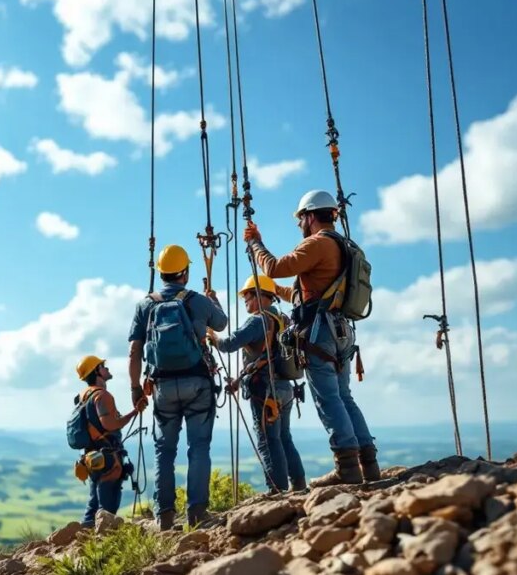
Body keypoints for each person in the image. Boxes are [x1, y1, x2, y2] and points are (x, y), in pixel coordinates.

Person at [244, 189, 379, 486]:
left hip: (321, 331)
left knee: (328, 398)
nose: (298, 225)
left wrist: (255, 243)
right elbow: (304, 292)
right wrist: (273, 292)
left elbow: (275, 267)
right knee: (344, 397)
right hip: (340, 328)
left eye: (300, 218)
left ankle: (347, 467)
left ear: (309, 216)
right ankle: (368, 464)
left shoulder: (317, 243)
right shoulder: (343, 245)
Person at [128, 244, 228, 530]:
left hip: (161, 386)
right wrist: (213, 300)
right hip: (197, 382)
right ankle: (197, 512)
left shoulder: (145, 305)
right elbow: (221, 324)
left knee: (164, 452)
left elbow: (134, 352)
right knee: (198, 447)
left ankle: (165, 517)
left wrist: (136, 389)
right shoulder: (197, 300)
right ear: (185, 272)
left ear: (161, 272)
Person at [211, 274, 306, 492]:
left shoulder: (258, 320)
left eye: (247, 295)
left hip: (264, 390)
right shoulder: (283, 320)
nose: (245, 300)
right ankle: (299, 484)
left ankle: (277, 489)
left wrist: (213, 337)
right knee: (284, 438)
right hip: (285, 388)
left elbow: (228, 344)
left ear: (260, 295)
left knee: (267, 440)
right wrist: (238, 380)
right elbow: (268, 355)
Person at [74, 355, 145, 528]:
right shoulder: (102, 396)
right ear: (97, 371)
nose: (107, 369)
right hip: (108, 457)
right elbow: (110, 424)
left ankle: (86, 536)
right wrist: (135, 412)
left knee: (94, 502)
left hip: (92, 457)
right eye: (103, 366)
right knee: (108, 506)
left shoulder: (83, 395)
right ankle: (105, 540)